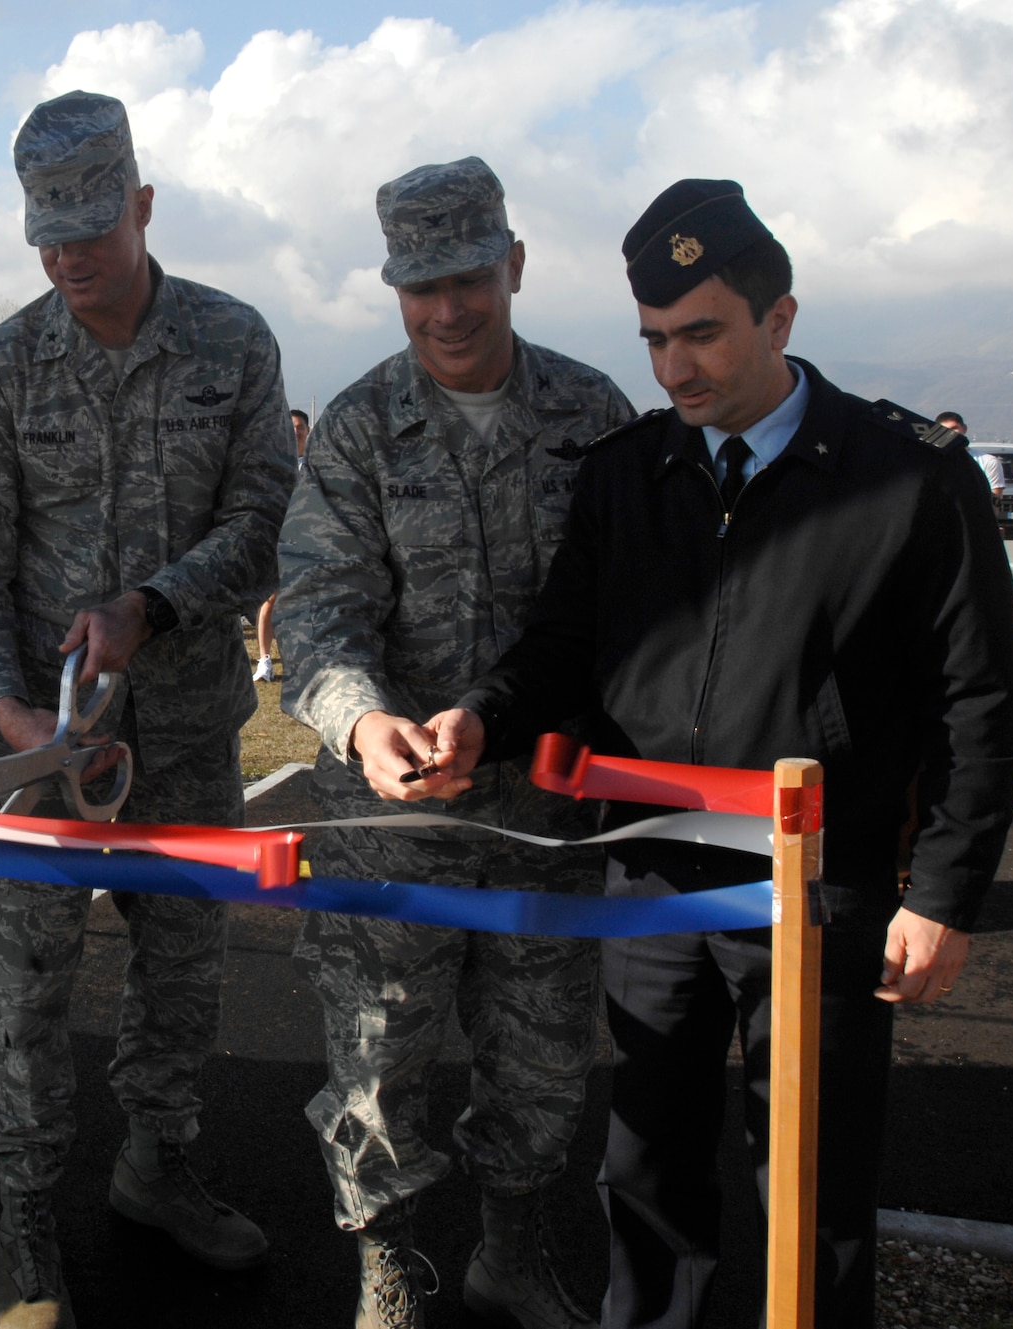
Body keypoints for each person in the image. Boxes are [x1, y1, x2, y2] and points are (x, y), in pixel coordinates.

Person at [398, 179, 1013, 1329]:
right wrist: (483, 717)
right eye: (652, 342)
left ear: (777, 320)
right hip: (650, 875)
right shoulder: (627, 475)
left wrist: (940, 894)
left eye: (700, 335)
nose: (674, 371)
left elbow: (977, 706)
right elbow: (563, 646)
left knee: (813, 1178)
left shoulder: (907, 482)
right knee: (643, 1172)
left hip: (814, 889)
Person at [0, 89, 295, 1327]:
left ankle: (153, 1168)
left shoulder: (232, 345)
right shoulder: (0, 370)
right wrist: (9, 708)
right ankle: (24, 1229)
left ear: (141, 205)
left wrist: (156, 602)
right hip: (39, 756)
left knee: (183, 971)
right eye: (48, 233)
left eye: (91, 225)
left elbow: (261, 523)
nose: (71, 255)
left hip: (185, 738)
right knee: (24, 993)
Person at [275, 156, 634, 1329]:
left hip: (543, 819)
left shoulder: (593, 417)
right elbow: (320, 609)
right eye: (417, 285)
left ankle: (510, 1251)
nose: (445, 309)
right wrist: (358, 719)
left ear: (512, 265)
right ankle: (388, 1267)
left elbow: (625, 613)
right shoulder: (358, 427)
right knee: (377, 1067)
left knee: (539, 1057)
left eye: (468, 277)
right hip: (393, 824)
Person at [251, 407, 313, 683]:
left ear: (308, 431)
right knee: (270, 599)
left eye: (300, 427)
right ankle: (265, 661)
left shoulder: (319, 464)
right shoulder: (274, 464)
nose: (295, 431)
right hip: (279, 539)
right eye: (291, 427)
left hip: (310, 542)